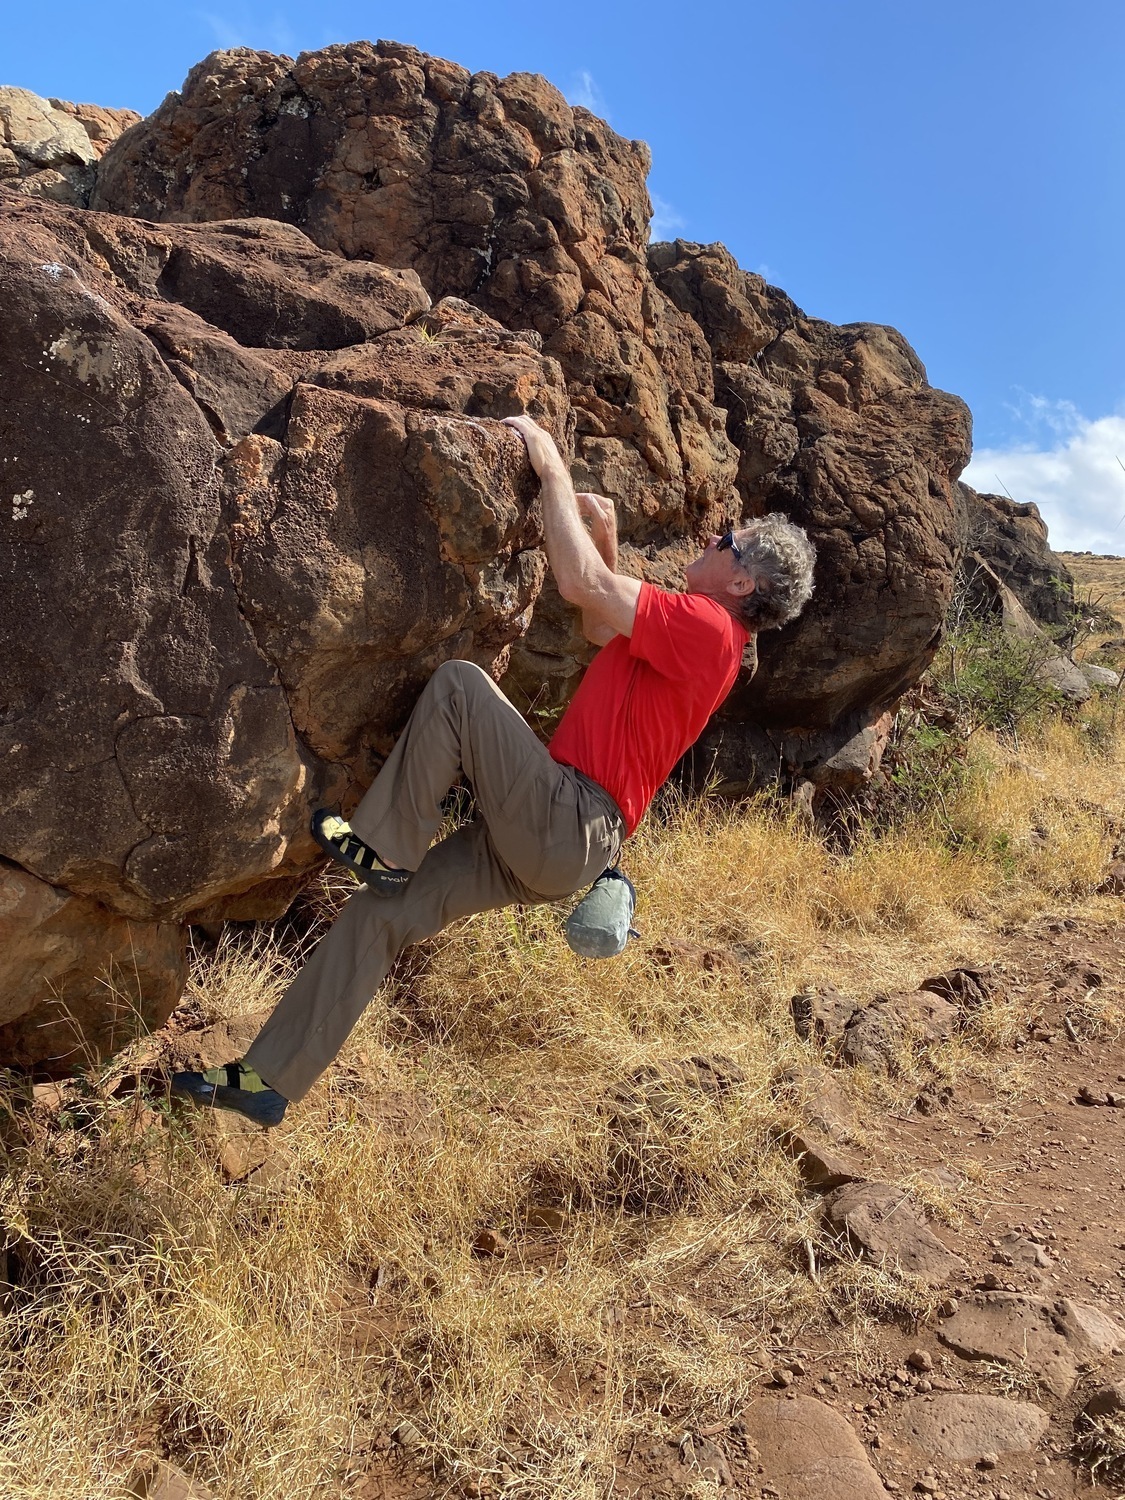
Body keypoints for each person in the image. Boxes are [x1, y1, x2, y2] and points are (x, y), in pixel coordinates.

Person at [172, 415, 816, 1125]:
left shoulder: (708, 627)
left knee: (457, 687)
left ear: (743, 578)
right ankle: (267, 1082)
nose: (708, 541)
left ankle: (384, 850)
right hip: (554, 848)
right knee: (379, 918)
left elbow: (579, 586)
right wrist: (602, 532)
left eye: (725, 543)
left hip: (569, 818)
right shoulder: (705, 637)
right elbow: (601, 623)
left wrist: (549, 466)